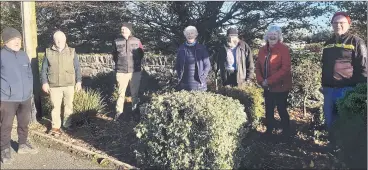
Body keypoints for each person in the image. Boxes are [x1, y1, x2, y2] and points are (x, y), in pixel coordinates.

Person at [321, 12, 367, 129]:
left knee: (345, 123)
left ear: (348, 24)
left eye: (342, 22)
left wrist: (359, 91)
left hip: (346, 90)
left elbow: (364, 67)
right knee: (330, 121)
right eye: (335, 22)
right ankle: (332, 145)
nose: (338, 25)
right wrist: (323, 85)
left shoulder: (356, 42)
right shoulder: (328, 43)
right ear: (331, 24)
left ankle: (344, 147)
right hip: (328, 90)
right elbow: (325, 65)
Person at [1, 27, 38, 164]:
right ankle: (4, 150)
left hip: (25, 97)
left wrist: (29, 91)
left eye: (19, 39)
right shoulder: (2, 55)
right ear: (6, 41)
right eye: (14, 39)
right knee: (6, 125)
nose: (17, 42)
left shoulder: (23, 55)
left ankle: (22, 144)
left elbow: (29, 74)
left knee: (24, 123)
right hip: (7, 98)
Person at [41, 30, 82, 136]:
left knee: (69, 105)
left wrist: (79, 81)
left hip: (69, 84)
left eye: (61, 39)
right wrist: (44, 82)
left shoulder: (72, 51)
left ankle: (67, 125)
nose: (59, 41)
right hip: (54, 85)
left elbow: (77, 68)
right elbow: (44, 69)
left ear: (65, 39)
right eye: (57, 39)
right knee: (55, 106)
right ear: (54, 40)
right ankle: (55, 127)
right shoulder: (48, 52)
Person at [255, 25, 292, 138]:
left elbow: (285, 68)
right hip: (267, 86)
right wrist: (261, 80)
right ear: (267, 36)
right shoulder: (262, 50)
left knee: (281, 108)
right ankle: (269, 131)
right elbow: (258, 67)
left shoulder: (283, 49)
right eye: (270, 35)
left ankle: (286, 132)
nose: (272, 36)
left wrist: (269, 81)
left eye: (275, 34)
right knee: (269, 109)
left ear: (279, 36)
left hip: (281, 86)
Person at [112, 22, 144, 121]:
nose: (123, 31)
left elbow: (141, 54)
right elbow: (114, 56)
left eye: (125, 29)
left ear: (130, 30)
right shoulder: (117, 41)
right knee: (120, 94)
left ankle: (135, 112)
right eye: (122, 29)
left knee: (134, 94)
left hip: (135, 72)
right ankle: (119, 113)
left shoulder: (137, 41)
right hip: (121, 71)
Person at [175, 26, 211, 91]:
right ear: (185, 35)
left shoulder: (201, 48)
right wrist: (179, 75)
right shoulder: (181, 48)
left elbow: (207, 65)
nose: (190, 35)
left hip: (199, 84)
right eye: (188, 33)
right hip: (184, 84)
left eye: (192, 33)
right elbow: (177, 65)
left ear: (195, 35)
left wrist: (202, 77)